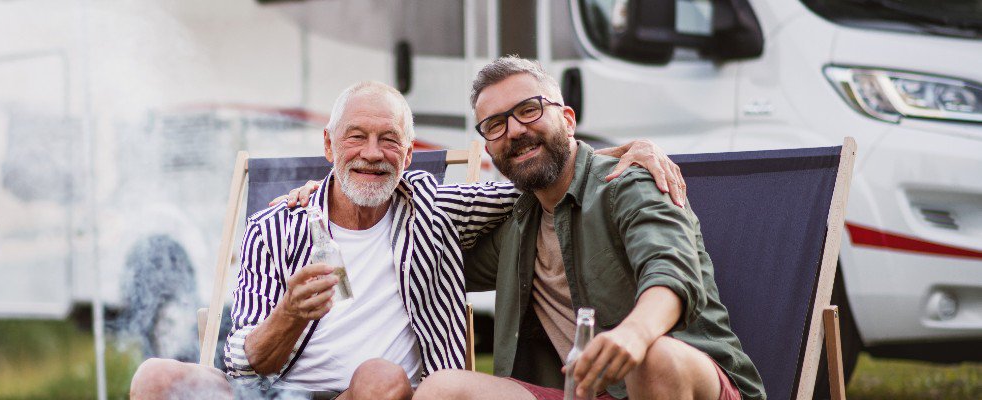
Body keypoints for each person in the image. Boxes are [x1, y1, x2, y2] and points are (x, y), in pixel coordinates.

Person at [130, 81, 679, 400]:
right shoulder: (275, 227)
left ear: (409, 153)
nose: (372, 153)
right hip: (274, 394)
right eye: (356, 137)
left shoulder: (432, 208)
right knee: (155, 376)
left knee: (378, 377)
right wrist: (290, 315)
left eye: (389, 140)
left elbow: (536, 170)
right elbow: (242, 361)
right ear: (329, 146)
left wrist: (630, 146)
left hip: (381, 395)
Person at [411, 57, 764, 400]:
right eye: (495, 125)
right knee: (442, 389)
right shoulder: (516, 226)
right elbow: (426, 264)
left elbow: (672, 271)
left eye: (529, 110)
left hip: (681, 380)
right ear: (488, 146)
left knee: (653, 360)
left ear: (567, 120)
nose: (515, 130)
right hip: (580, 392)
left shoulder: (630, 183)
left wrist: (635, 335)